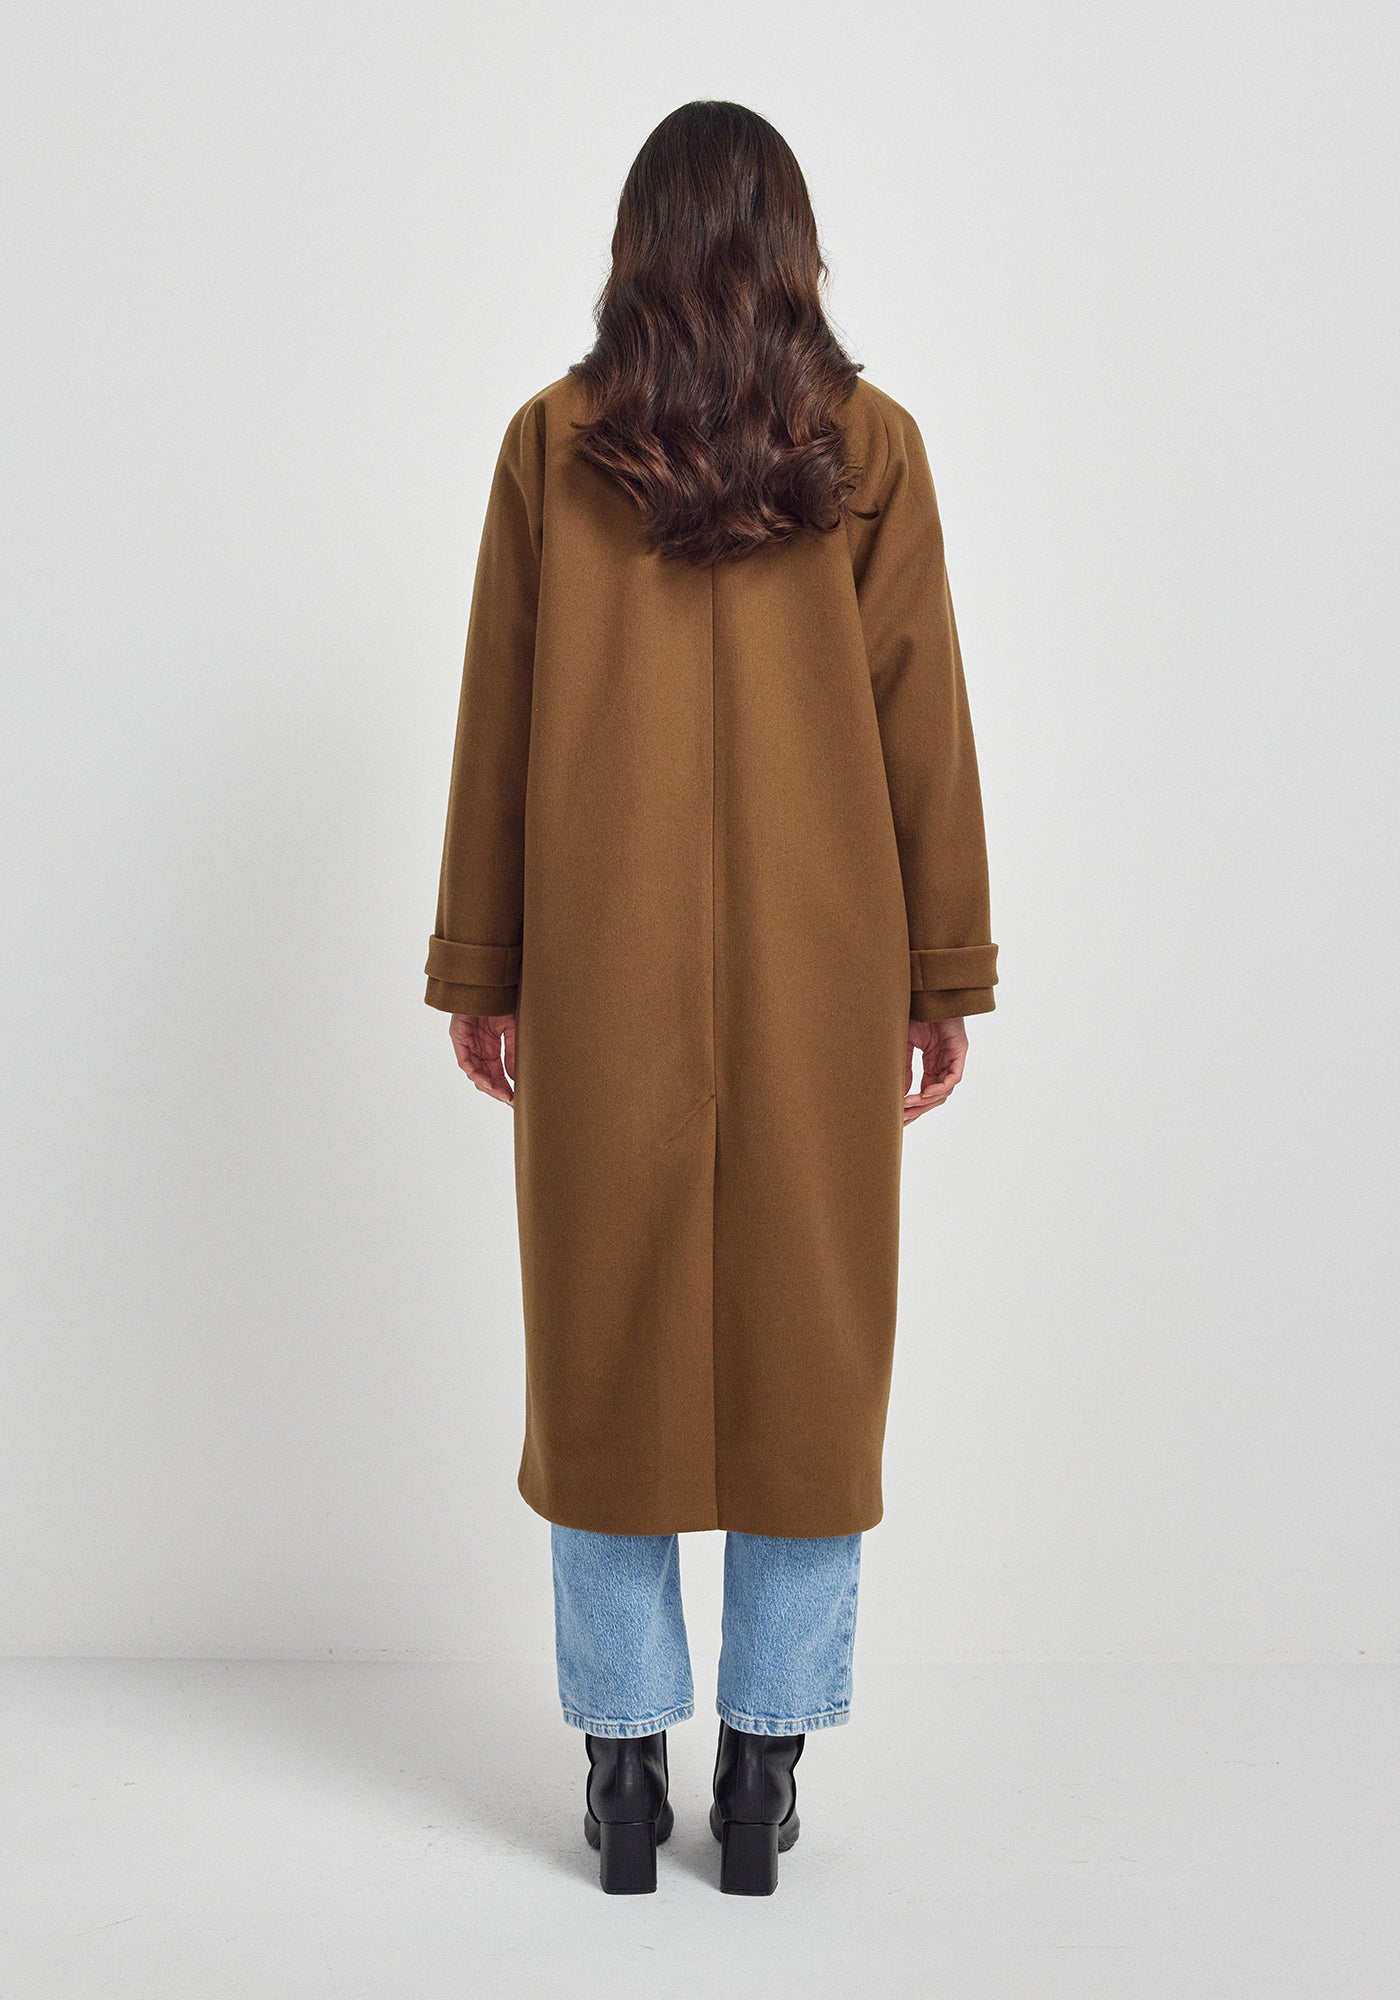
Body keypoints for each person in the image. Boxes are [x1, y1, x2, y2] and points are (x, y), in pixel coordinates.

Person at [424, 100, 998, 1896]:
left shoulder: (553, 444)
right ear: (797, 249)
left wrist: (487, 967)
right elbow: (922, 722)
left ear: (632, 250)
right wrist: (939, 974)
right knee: (809, 1354)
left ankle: (620, 1776)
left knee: (603, 1348)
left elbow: (498, 723)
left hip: (602, 968)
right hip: (825, 974)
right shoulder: (869, 447)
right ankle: (761, 1777)